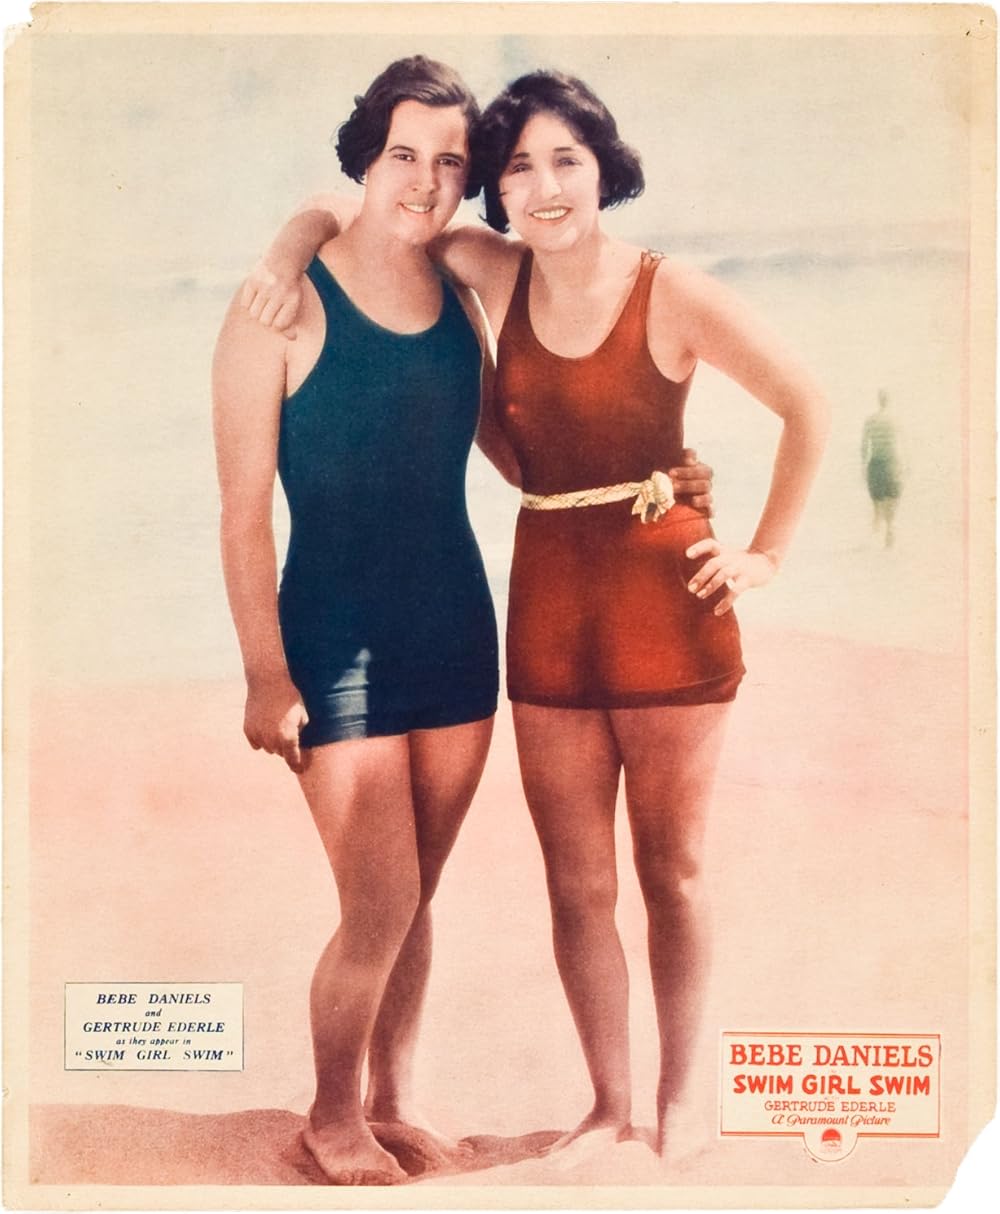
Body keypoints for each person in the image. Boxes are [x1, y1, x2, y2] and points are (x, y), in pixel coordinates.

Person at [244, 68, 823, 1164]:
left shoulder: (661, 288)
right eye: (517, 168)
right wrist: (282, 253)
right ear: (498, 193)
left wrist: (763, 549)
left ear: (605, 170)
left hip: (654, 607)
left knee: (667, 872)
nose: (543, 186)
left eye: (566, 161)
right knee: (565, 884)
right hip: (540, 613)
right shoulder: (486, 270)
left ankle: (676, 1102)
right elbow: (356, 202)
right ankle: (598, 1106)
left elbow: (803, 402)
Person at [861, 389, 903, 547]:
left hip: (876, 463)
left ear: (878, 400)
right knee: (892, 497)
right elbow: (904, 443)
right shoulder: (896, 420)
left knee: (877, 502)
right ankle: (890, 528)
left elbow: (864, 446)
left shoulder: (870, 420)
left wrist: (864, 466)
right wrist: (905, 465)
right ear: (889, 400)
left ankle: (876, 533)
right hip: (892, 461)